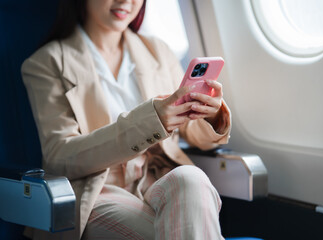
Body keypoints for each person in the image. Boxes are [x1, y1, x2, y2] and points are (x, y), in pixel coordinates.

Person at [21, 0, 231, 239]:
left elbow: (194, 133)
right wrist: (151, 120)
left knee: (191, 178)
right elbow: (60, 155)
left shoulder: (157, 51)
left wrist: (211, 115)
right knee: (181, 229)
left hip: (157, 181)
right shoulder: (47, 63)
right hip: (98, 189)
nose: (125, 1)